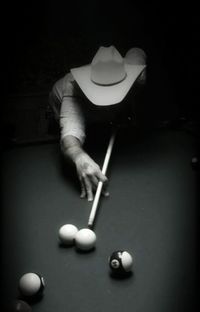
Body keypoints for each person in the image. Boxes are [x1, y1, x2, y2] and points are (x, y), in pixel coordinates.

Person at [49, 45, 146, 201]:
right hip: (61, 102)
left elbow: (137, 51)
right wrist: (79, 156)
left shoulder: (138, 76)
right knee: (82, 137)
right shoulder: (73, 89)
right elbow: (70, 139)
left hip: (104, 114)